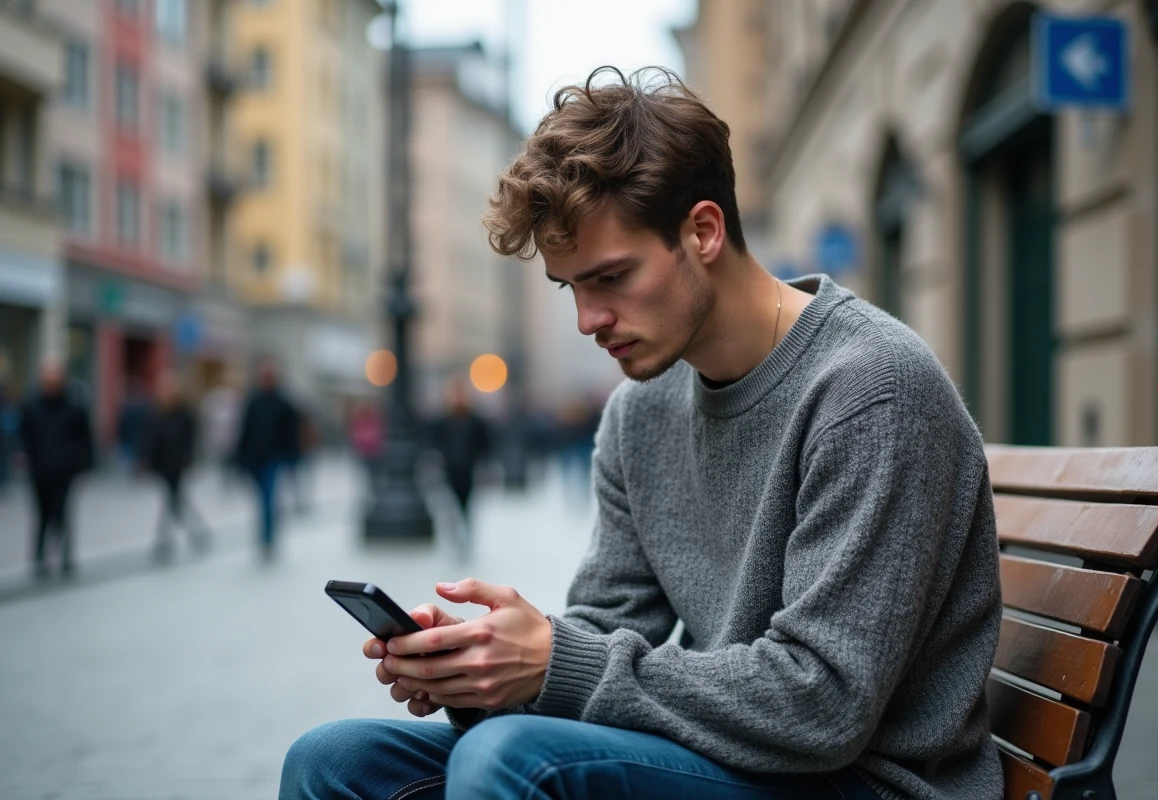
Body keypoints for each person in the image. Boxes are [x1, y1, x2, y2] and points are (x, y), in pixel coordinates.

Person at [281, 67, 1003, 800]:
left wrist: (553, 664)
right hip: (730, 758)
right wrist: (484, 670)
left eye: (611, 277)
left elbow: (824, 703)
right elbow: (606, 625)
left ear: (703, 231)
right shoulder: (641, 409)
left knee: (512, 762)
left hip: (865, 782)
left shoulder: (871, 388)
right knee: (333, 760)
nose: (587, 320)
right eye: (571, 287)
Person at [19, 360, 94, 579]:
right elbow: (23, 434)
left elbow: (85, 438)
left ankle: (65, 557)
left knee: (62, 513)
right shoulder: (32, 405)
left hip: (64, 470)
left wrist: (84, 465)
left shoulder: (74, 406)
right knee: (42, 514)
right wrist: (22, 454)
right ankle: (39, 559)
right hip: (40, 469)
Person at [140, 371, 211, 560]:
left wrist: (189, 459)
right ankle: (196, 532)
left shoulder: (184, 413)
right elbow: (150, 439)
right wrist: (145, 459)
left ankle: (165, 541)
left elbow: (191, 440)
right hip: (161, 464)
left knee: (172, 501)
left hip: (178, 464)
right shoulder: (156, 412)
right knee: (175, 501)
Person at [234, 359, 298, 561]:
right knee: (262, 499)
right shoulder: (253, 402)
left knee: (268, 498)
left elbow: (290, 433)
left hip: (273, 457)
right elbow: (245, 430)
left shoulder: (283, 403)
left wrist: (290, 457)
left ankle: (267, 538)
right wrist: (240, 458)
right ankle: (266, 534)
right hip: (254, 458)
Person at [427, 378, 491, 532]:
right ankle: (455, 528)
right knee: (450, 501)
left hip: (469, 468)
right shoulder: (443, 421)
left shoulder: (475, 421)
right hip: (450, 467)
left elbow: (484, 444)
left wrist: (484, 464)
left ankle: (465, 527)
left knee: (467, 501)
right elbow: (436, 442)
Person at [115, 380, 151, 476]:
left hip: (129, 438)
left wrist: (120, 437)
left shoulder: (126, 406)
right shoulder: (144, 406)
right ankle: (137, 472)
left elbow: (122, 424)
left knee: (129, 460)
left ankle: (133, 473)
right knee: (137, 457)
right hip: (138, 437)